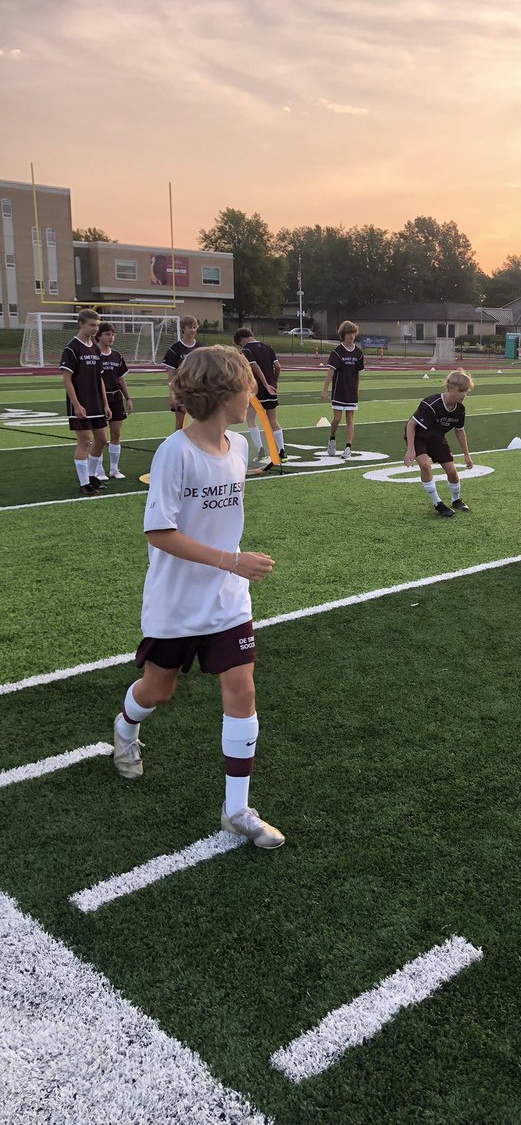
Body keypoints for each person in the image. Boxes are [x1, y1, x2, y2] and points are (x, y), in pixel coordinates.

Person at [111, 345, 283, 848]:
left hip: (228, 599)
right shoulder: (175, 452)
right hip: (177, 601)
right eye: (247, 388)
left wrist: (231, 568)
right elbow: (158, 532)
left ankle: (237, 809)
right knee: (158, 691)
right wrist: (232, 560)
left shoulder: (240, 447)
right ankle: (125, 728)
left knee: (242, 690)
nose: (252, 397)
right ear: (225, 394)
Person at [403, 369, 474, 517]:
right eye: (461, 391)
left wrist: (467, 455)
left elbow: (460, 431)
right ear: (450, 388)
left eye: (466, 391)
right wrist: (410, 450)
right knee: (425, 466)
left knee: (452, 472)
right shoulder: (431, 403)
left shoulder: (460, 409)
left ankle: (456, 500)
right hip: (418, 437)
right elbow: (411, 424)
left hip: (436, 438)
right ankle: (437, 503)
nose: (464, 395)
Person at [60, 308, 111, 496]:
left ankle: (91, 476)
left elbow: (100, 378)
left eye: (97, 325)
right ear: (81, 324)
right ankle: (84, 484)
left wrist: (105, 403)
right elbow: (67, 379)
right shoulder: (72, 348)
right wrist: (76, 405)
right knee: (85, 440)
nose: (95, 329)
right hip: (80, 402)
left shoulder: (95, 348)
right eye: (92, 325)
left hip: (96, 402)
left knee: (101, 440)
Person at [233, 327, 286, 470]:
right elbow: (278, 366)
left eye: (240, 344)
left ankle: (261, 449)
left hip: (256, 389)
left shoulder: (246, 350)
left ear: (241, 340)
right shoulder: (268, 347)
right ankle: (282, 451)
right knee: (273, 420)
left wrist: (265, 384)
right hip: (271, 389)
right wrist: (273, 382)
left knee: (250, 419)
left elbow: (255, 367)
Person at [321, 320, 364, 458]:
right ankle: (332, 439)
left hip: (351, 392)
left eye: (353, 333)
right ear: (343, 334)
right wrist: (325, 389)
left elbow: (357, 374)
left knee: (350, 419)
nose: (352, 336)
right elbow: (331, 372)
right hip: (339, 391)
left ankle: (348, 448)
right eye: (349, 333)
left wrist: (357, 389)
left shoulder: (358, 353)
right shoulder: (337, 352)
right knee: (337, 419)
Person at [97, 322, 133, 479]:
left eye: (113, 334)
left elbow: (121, 379)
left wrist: (128, 398)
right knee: (100, 437)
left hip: (116, 397)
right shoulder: (94, 355)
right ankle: (98, 470)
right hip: (98, 398)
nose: (111, 337)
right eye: (107, 334)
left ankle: (114, 469)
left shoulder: (117, 356)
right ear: (99, 335)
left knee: (116, 433)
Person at [162, 316, 200, 431]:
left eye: (195, 327)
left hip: (198, 390)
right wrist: (172, 395)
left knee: (199, 423)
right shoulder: (175, 348)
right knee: (180, 423)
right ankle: (177, 443)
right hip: (181, 390)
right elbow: (171, 374)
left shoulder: (200, 348)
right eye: (190, 327)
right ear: (183, 328)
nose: (193, 330)